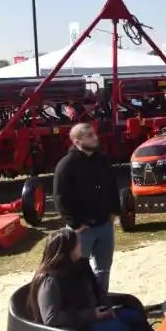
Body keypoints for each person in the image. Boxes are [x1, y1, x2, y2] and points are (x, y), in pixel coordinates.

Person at [28, 228, 153, 331]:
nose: (81, 244)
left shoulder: (80, 265)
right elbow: (51, 318)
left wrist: (107, 308)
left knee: (134, 316)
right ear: (67, 250)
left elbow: (98, 290)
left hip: (96, 316)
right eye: (77, 243)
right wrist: (92, 314)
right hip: (75, 328)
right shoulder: (50, 280)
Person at [52, 123, 121, 292]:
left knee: (103, 269)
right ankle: (82, 306)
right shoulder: (66, 165)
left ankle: (102, 301)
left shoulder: (102, 159)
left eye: (94, 134)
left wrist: (114, 212)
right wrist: (75, 224)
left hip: (104, 225)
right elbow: (60, 197)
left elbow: (112, 186)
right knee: (77, 271)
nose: (95, 137)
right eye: (89, 135)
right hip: (81, 230)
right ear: (77, 141)